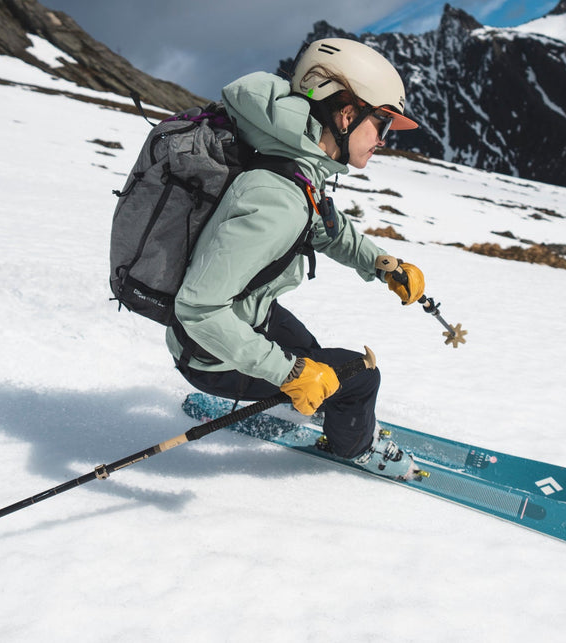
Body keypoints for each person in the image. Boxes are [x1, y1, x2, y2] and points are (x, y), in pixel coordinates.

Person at [168, 38, 426, 479]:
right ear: (347, 114)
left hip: (251, 314)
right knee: (359, 376)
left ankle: (319, 397)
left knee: (313, 355)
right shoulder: (276, 196)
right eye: (381, 124)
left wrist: (381, 264)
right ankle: (358, 448)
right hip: (211, 354)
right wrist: (287, 373)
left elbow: (323, 225)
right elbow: (197, 308)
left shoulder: (293, 159)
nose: (383, 140)